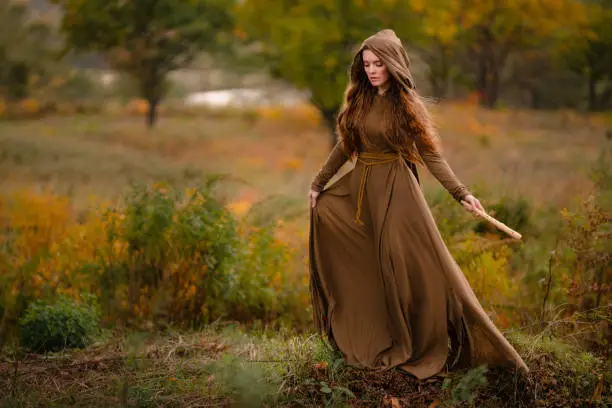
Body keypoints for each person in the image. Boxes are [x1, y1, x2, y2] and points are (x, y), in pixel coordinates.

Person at [307, 29, 528, 380]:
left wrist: (461, 193)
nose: (372, 70)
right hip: (361, 191)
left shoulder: (405, 105)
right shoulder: (359, 101)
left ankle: (429, 339)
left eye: (379, 63)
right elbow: (345, 147)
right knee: (372, 265)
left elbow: (430, 155)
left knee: (408, 265)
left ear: (393, 64)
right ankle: (380, 334)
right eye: (366, 64)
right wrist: (319, 184)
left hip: (397, 192)